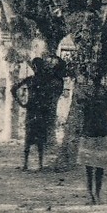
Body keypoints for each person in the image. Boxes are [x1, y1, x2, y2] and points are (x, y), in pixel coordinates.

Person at [14, 43, 68, 171]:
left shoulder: (43, 80)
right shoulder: (33, 80)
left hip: (39, 111)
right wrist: (22, 103)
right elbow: (13, 88)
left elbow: (58, 87)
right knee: (29, 139)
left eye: (39, 66)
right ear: (34, 67)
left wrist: (23, 103)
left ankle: (38, 164)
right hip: (34, 110)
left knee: (39, 140)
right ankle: (28, 164)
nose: (37, 68)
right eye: (36, 66)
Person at [74, 66, 107, 205]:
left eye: (98, 73)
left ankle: (96, 194)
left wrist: (94, 100)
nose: (96, 75)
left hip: (100, 130)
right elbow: (80, 102)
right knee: (90, 166)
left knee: (99, 166)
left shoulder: (100, 91)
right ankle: (91, 194)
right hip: (90, 130)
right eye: (94, 73)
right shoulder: (87, 91)